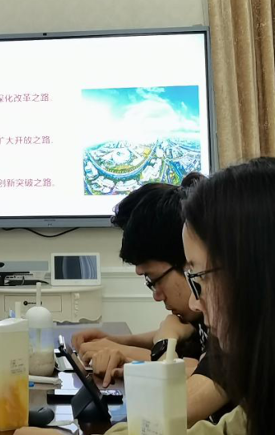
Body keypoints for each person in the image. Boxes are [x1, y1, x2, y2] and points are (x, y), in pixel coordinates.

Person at [20, 158, 275, 435]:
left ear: (261, 278)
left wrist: (157, 345)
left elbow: (178, 409)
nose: (194, 302)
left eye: (198, 277)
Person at [72, 173, 230, 425]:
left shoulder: (236, 327)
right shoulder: (208, 316)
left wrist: (156, 346)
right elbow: (193, 362)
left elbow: (175, 408)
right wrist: (119, 342)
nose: (156, 296)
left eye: (154, 280)